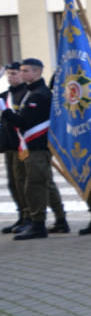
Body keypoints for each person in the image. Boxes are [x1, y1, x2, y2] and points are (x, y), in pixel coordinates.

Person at [1, 59, 62, 240]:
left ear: (37, 72)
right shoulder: (32, 92)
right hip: (29, 147)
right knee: (31, 184)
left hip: (36, 147)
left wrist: (5, 112)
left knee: (35, 185)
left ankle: (37, 224)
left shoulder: (39, 94)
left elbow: (26, 122)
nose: (22, 73)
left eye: (25, 71)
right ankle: (43, 221)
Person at [1, 61, 29, 234]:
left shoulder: (26, 94)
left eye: (14, 74)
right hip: (9, 145)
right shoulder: (5, 96)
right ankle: (21, 214)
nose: (10, 77)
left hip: (23, 146)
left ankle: (29, 216)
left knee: (22, 183)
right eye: (8, 74)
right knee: (13, 184)